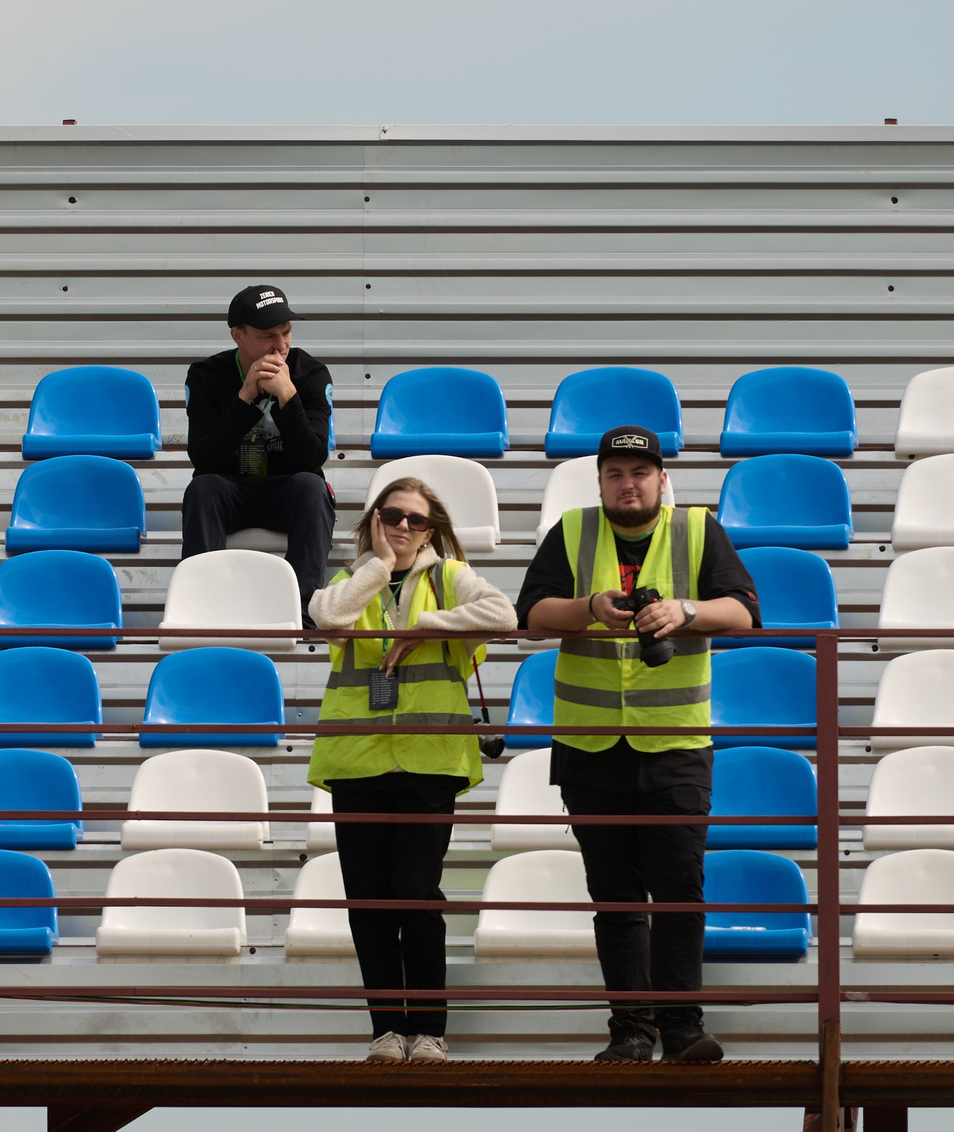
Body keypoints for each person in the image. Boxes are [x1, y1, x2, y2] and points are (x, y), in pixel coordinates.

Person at [513, 425, 762, 1064]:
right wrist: (592, 607)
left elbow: (744, 612)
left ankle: (682, 1027)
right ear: (600, 482)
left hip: (675, 743)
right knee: (615, 897)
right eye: (616, 474)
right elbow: (531, 616)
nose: (629, 484)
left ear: (662, 479)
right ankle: (629, 1030)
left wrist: (684, 611)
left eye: (640, 473)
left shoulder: (698, 528)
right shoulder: (572, 529)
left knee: (680, 893)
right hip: (590, 745)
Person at [309, 476, 517, 1062]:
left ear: (431, 530)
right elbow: (328, 616)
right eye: (392, 515)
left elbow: (503, 613)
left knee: (416, 893)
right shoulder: (352, 578)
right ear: (374, 521)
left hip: (429, 759)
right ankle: (386, 1029)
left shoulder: (449, 577)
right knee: (368, 900)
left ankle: (428, 1028)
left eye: (416, 519)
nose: (403, 526)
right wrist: (378, 566)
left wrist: (425, 627)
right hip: (356, 760)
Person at [181, 284, 336, 611]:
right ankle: (202, 610)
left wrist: (288, 396)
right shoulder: (206, 376)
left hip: (288, 490)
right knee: (202, 489)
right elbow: (204, 459)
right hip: (230, 490)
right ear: (238, 336)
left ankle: (301, 611)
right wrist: (244, 399)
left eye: (286, 332)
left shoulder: (311, 373)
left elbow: (312, 459)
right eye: (268, 335)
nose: (281, 345)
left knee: (313, 487)